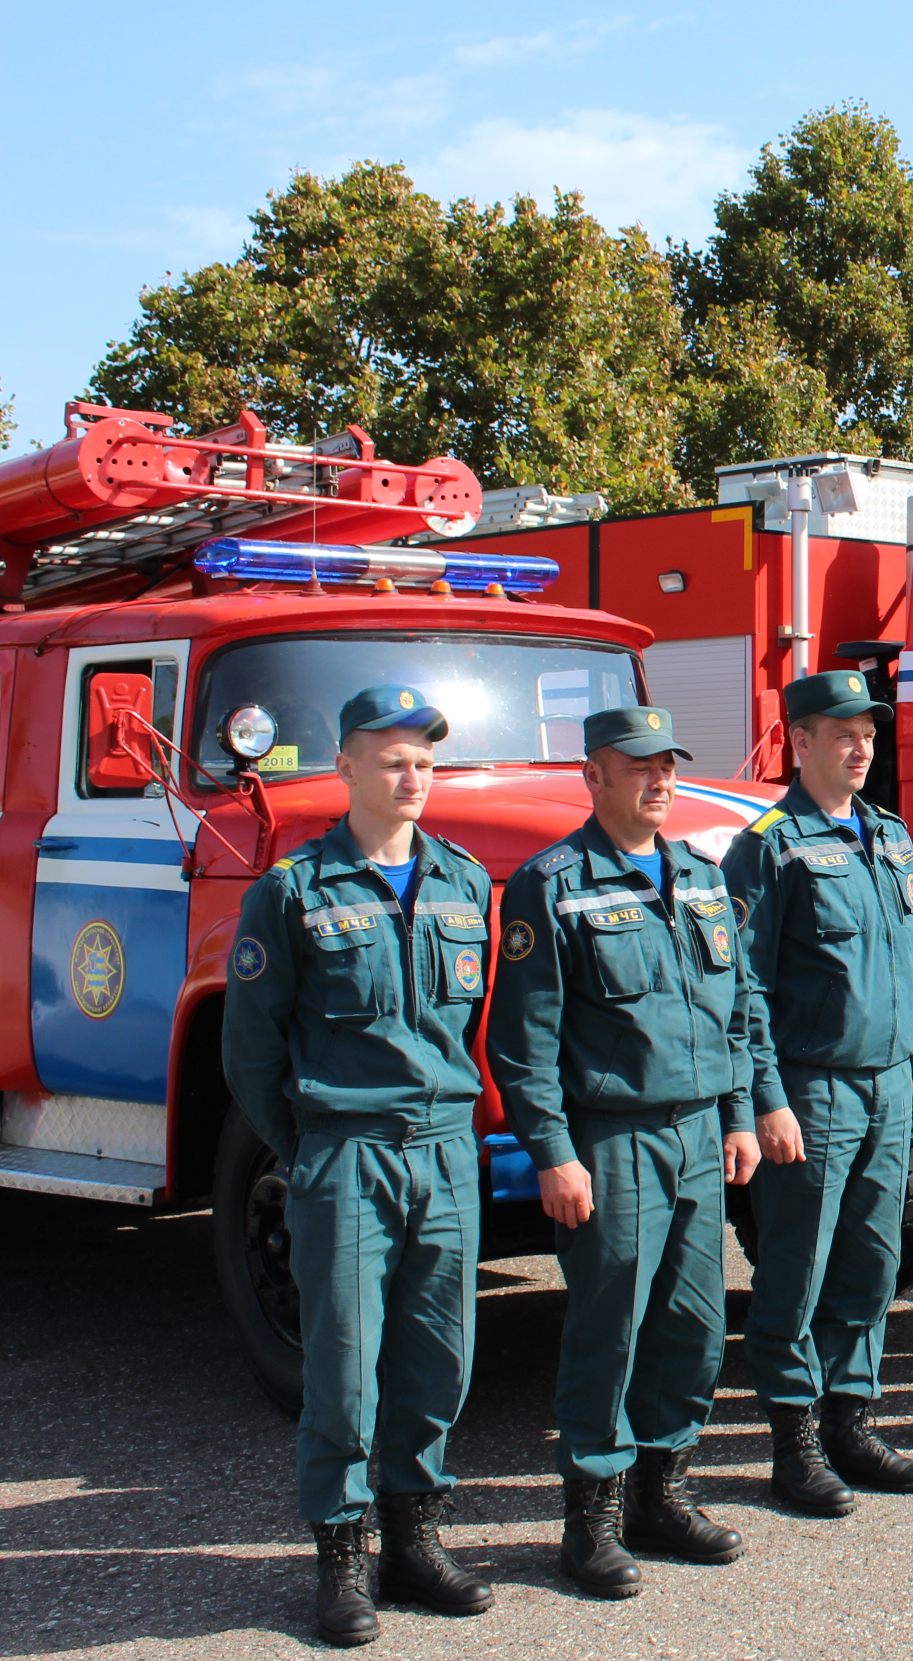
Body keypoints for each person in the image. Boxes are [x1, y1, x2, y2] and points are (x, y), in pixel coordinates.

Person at [223, 686, 495, 1646]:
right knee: (344, 1370)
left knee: (440, 1360)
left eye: (424, 759)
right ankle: (342, 1557)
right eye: (390, 759)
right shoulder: (293, 891)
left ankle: (413, 1541)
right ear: (343, 767)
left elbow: (472, 1027)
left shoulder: (464, 884)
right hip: (347, 1157)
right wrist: (310, 1154)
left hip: (445, 1156)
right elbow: (250, 1054)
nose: (411, 775)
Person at [491, 707, 767, 1600]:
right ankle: (591, 1523)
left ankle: (663, 1494)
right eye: (637, 767)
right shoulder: (554, 882)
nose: (659, 781)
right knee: (609, 1328)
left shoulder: (699, 876)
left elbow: (733, 1009)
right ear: (594, 777)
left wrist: (736, 1114)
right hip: (610, 1140)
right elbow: (523, 1038)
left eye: (666, 765)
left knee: (691, 1325)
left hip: (695, 1135)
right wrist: (552, 1152)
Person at [723, 671, 913, 1516]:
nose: (860, 748)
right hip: (811, 1093)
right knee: (797, 1268)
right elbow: (746, 989)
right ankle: (795, 1444)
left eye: (868, 734)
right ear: (800, 742)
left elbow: (908, 966)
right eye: (840, 733)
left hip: (889, 1087)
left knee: (872, 1264)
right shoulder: (768, 847)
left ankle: (852, 1422)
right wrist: (767, 1098)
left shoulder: (889, 838)